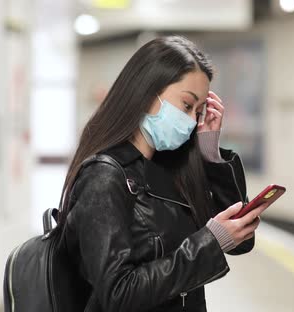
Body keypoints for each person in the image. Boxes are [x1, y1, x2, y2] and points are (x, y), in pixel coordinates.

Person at [59, 36, 269, 312]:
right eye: (186, 105)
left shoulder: (171, 168)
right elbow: (118, 294)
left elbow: (241, 244)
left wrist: (210, 153)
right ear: (147, 93)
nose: (193, 119)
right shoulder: (104, 177)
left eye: (199, 109)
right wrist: (210, 241)